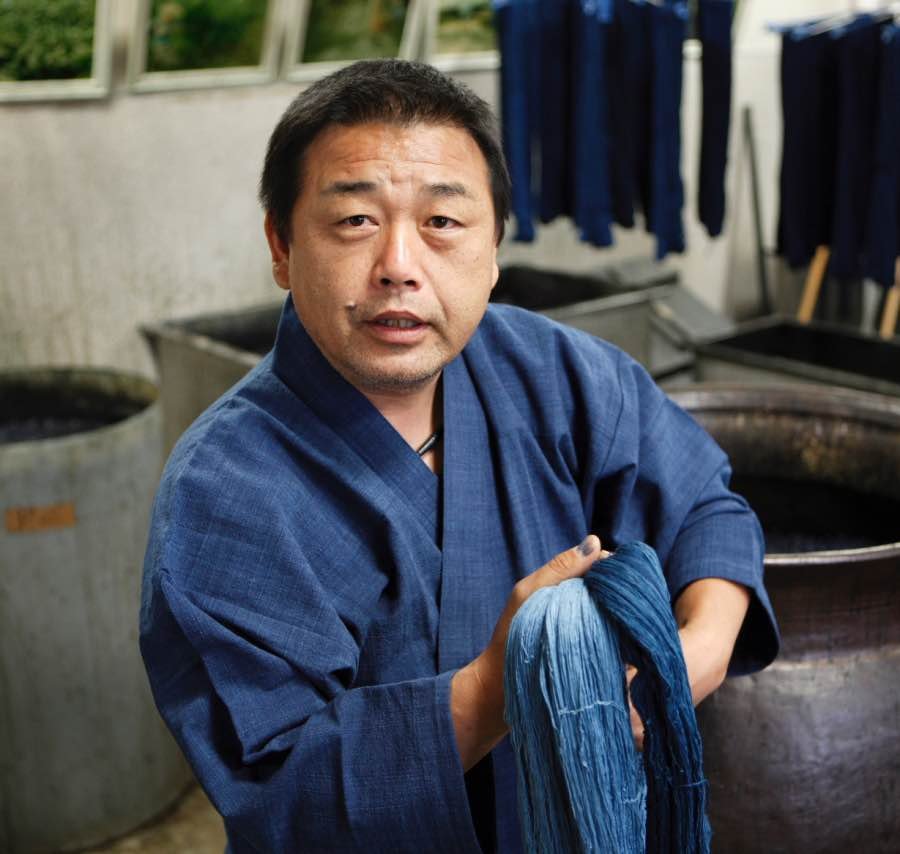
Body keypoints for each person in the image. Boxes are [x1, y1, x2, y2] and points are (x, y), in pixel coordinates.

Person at [140, 59, 778, 853]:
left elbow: (706, 509)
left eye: (443, 223)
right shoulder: (224, 493)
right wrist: (494, 690)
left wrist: (691, 657)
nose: (400, 265)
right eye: (354, 222)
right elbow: (281, 797)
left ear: (496, 247)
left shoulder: (553, 372)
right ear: (280, 244)